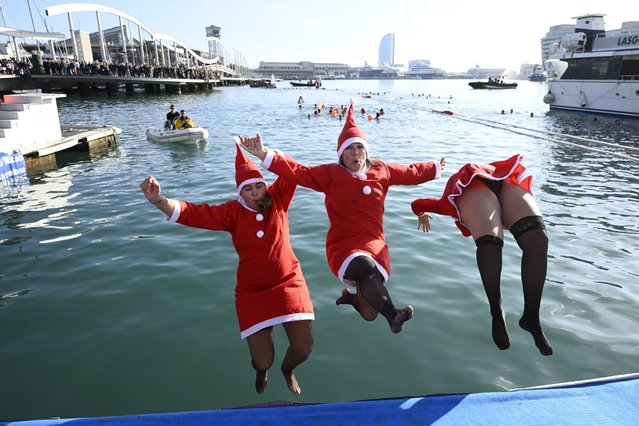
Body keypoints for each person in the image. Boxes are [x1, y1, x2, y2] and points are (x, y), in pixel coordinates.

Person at [239, 100, 445, 334]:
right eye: (349, 148)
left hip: (373, 242)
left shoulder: (382, 170)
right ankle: (393, 315)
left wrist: (434, 167)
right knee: (364, 267)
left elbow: (410, 172)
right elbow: (298, 172)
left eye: (359, 147)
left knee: (368, 314)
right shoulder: (330, 174)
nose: (355, 153)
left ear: (366, 151)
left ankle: (353, 300)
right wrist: (264, 154)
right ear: (341, 153)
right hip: (343, 244)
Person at [139, 143, 315, 394]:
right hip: (252, 292)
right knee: (262, 360)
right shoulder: (232, 212)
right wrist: (159, 201)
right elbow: (195, 213)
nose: (255, 193)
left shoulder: (277, 199)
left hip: (288, 281)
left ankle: (288, 370)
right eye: (248, 189)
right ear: (240, 193)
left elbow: (293, 171)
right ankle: (262, 371)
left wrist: (263, 154)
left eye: (259, 186)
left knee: (303, 348)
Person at [410, 154, 553, 356]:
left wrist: (421, 214)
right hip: (475, 185)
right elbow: (417, 205)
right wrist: (422, 214)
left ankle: (531, 318)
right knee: (490, 245)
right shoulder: (454, 204)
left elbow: (417, 204)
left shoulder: (447, 206)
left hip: (500, 178)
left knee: (538, 239)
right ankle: (496, 311)